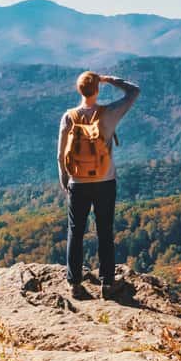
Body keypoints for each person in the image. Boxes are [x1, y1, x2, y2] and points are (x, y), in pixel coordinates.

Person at [57, 71, 140, 297]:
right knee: (104, 230)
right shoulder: (109, 113)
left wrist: (66, 181)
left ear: (79, 90)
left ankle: (74, 283)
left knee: (75, 230)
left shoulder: (69, 117)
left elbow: (60, 155)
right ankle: (107, 283)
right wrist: (110, 79)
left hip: (78, 182)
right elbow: (134, 91)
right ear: (97, 89)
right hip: (105, 180)